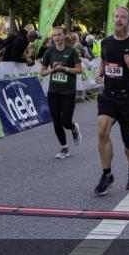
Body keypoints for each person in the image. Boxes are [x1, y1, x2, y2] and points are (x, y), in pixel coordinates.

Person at [94, 6, 129, 196]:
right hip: (109, 96)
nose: (118, 20)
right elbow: (104, 60)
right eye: (116, 16)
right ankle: (107, 175)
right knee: (102, 131)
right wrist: (100, 72)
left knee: (128, 140)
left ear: (128, 21)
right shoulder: (106, 42)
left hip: (128, 98)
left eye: (122, 17)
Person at [40, 26, 83, 159]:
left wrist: (64, 68)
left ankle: (73, 127)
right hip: (53, 91)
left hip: (68, 91)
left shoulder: (71, 52)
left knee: (65, 121)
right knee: (56, 121)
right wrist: (52, 70)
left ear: (64, 36)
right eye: (54, 36)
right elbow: (42, 72)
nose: (57, 38)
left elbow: (79, 70)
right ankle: (64, 148)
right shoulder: (49, 52)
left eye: (59, 35)